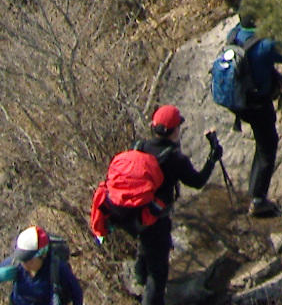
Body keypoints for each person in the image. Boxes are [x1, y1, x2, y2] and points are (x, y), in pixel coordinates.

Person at [91, 106, 219, 305]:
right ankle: (147, 292)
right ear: (175, 130)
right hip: (154, 218)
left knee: (147, 245)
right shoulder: (175, 159)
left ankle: (139, 278)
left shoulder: (139, 146)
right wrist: (213, 157)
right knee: (158, 274)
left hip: (128, 214)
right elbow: (198, 181)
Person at [213, 18, 282, 217]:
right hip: (256, 104)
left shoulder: (234, 33)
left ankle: (255, 193)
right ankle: (258, 199)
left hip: (239, 101)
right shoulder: (264, 45)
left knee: (263, 143)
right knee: (267, 145)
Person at [0, 224, 83, 305]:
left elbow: (77, 293)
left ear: (43, 255)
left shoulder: (56, 269)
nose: (24, 264)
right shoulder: (16, 264)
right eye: (22, 260)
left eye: (29, 260)